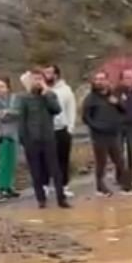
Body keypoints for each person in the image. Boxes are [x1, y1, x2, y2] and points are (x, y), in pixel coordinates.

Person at [18, 68, 69, 210]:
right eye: (34, 79)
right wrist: (23, 139)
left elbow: (57, 110)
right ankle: (41, 199)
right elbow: (21, 120)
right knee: (36, 171)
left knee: (55, 170)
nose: (37, 82)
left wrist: (47, 93)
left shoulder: (50, 95)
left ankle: (61, 198)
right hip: (32, 140)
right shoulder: (24, 98)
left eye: (39, 79)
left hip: (48, 138)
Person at [82, 71, 132, 197]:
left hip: (113, 133)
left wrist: (117, 103)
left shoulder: (113, 96)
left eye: (102, 79)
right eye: (97, 79)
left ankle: (127, 185)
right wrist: (97, 127)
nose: (99, 81)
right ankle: (100, 187)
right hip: (99, 135)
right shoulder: (90, 99)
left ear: (107, 81)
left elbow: (124, 110)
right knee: (101, 162)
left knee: (119, 160)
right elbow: (86, 118)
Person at [44, 65, 77, 200]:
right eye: (45, 73)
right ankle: (44, 186)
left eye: (49, 72)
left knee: (62, 159)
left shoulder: (65, 90)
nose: (46, 75)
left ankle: (63, 186)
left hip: (61, 129)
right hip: (45, 130)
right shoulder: (40, 90)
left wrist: (70, 128)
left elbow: (71, 109)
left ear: (56, 75)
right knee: (44, 160)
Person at [0, 78, 21, 199]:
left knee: (12, 162)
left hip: (13, 134)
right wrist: (7, 113)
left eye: (3, 86)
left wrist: (7, 113)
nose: (1, 89)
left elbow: (18, 112)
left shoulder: (14, 98)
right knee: (2, 163)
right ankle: (1, 187)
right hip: (2, 135)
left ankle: (9, 186)